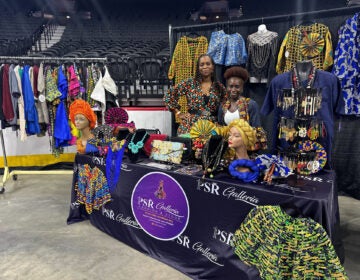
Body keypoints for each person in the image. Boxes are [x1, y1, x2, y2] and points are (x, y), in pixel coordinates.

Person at [164, 53, 226, 135]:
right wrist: (178, 113)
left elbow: (226, 105)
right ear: (198, 68)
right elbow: (169, 95)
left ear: (213, 67)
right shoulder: (190, 83)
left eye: (208, 64)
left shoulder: (219, 87)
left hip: (212, 126)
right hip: (191, 125)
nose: (205, 67)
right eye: (202, 65)